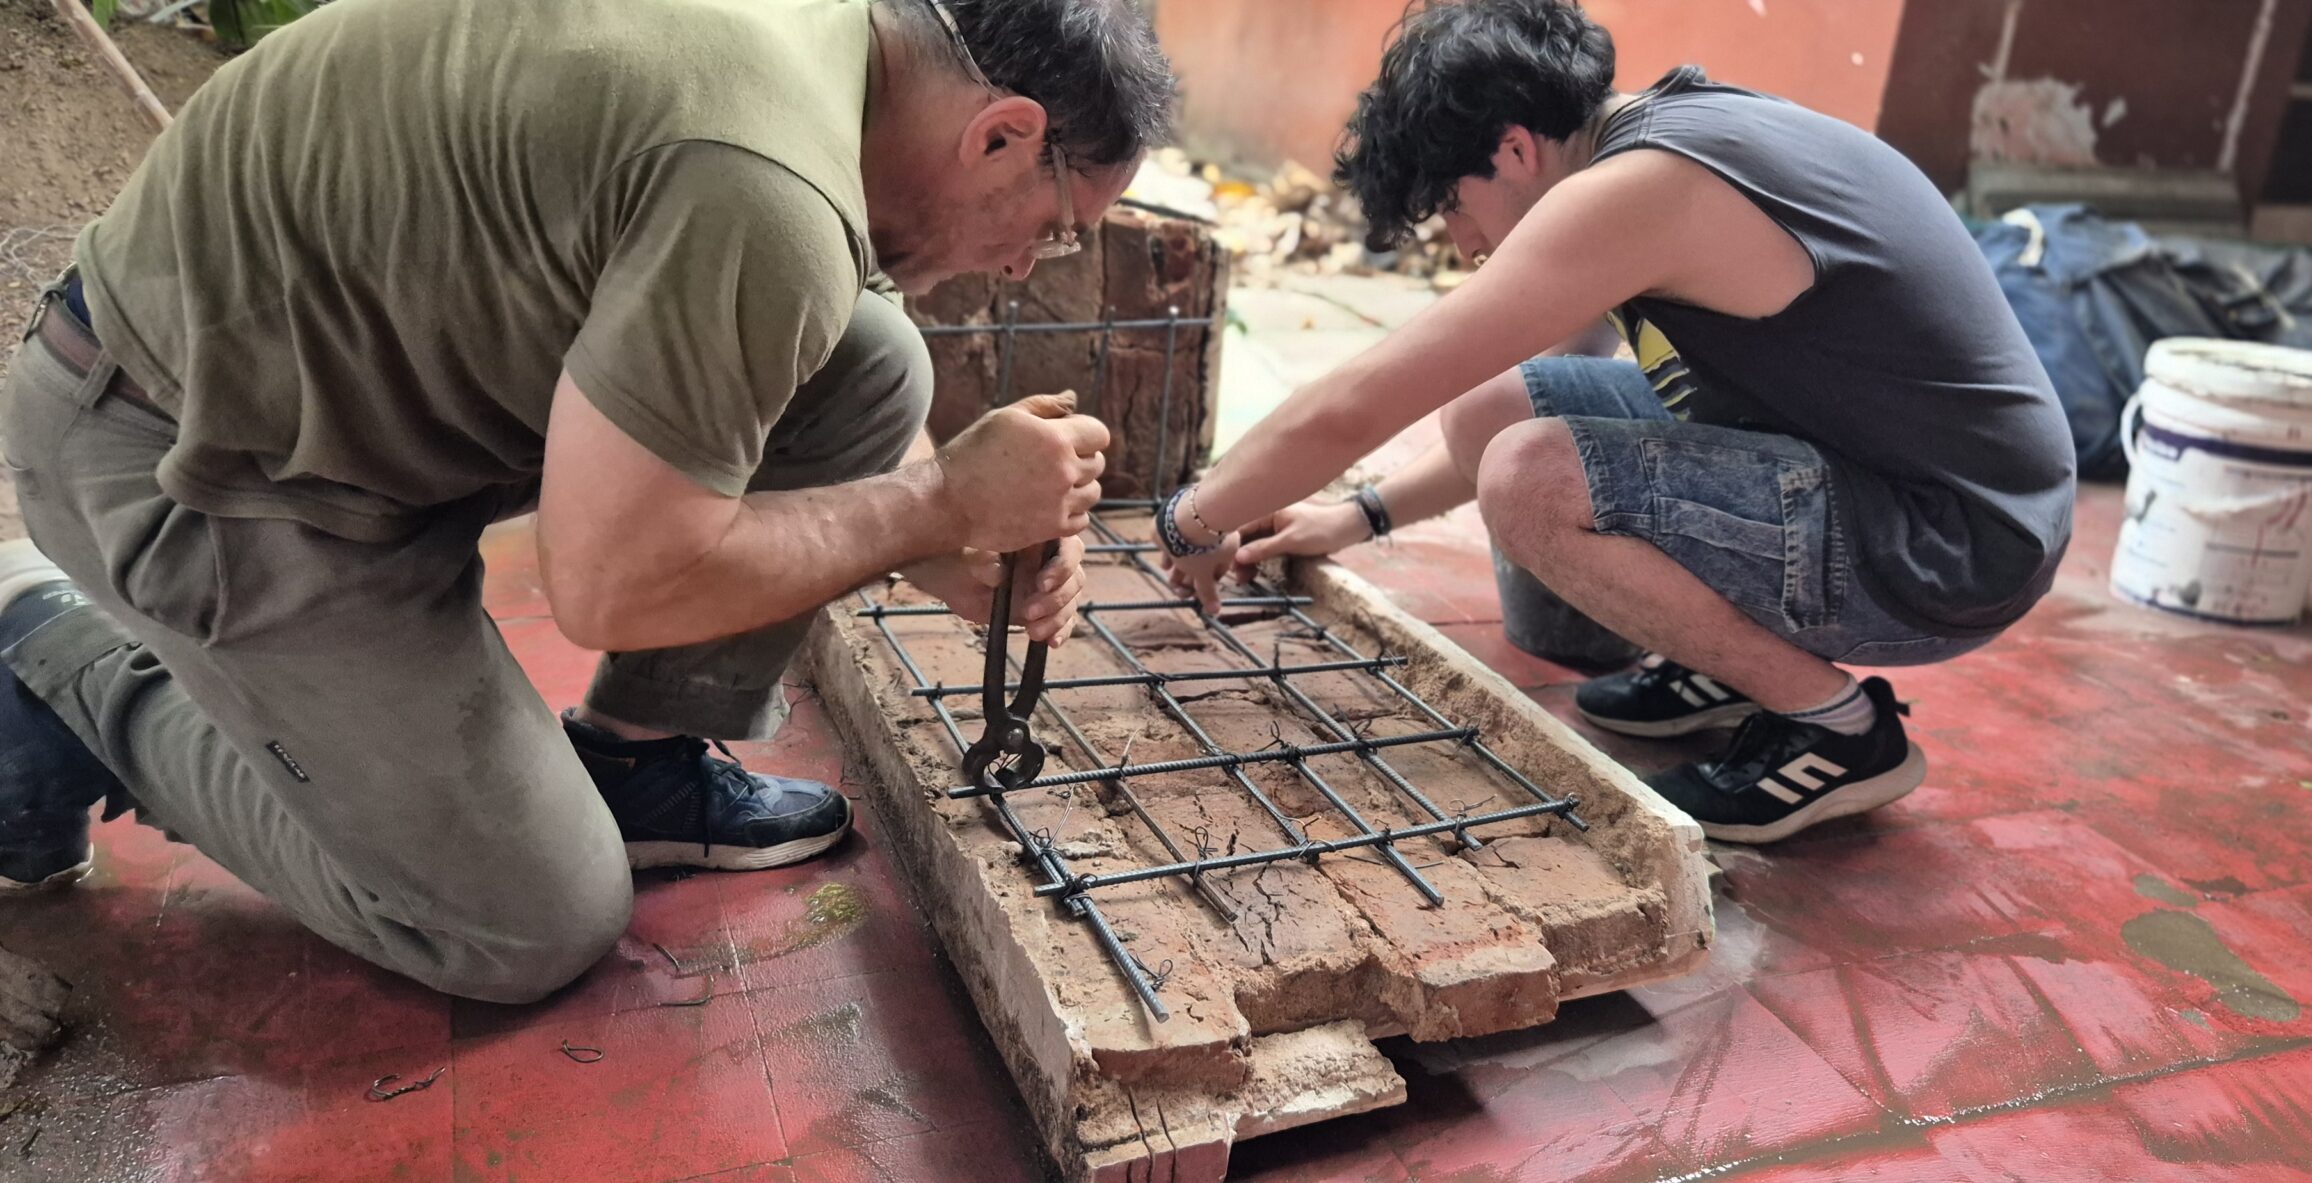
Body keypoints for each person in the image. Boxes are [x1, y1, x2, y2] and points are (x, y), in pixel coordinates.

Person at [0, 0, 1176, 1003]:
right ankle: (63, 673)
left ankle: (635, 761)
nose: (1022, 267)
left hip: (344, 382)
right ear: (1002, 133)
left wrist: (942, 534)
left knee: (871, 358)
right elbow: (614, 586)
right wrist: (934, 504)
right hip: (196, 457)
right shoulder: (758, 177)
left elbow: (813, 307)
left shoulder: (833, 57)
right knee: (525, 924)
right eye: (1053, 231)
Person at [1161, 0, 2075, 844]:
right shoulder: (1652, 134)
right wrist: (1357, 517)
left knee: (1530, 478)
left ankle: (1839, 730)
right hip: (1874, 467)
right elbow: (1520, 391)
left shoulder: (1640, 191)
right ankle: (1732, 661)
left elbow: (1362, 401)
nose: (1463, 242)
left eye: (1453, 206)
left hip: (1953, 544)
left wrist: (1193, 519)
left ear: (1515, 149)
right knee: (1496, 408)